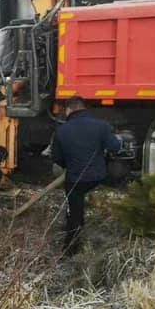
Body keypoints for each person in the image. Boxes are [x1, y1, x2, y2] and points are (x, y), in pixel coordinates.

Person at [51, 96, 121, 255]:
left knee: (74, 209)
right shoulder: (102, 125)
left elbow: (56, 158)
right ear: (84, 108)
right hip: (98, 177)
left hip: (75, 180)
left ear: (69, 110)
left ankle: (70, 250)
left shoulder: (62, 130)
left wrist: (68, 164)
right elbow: (115, 147)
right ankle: (78, 222)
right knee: (77, 201)